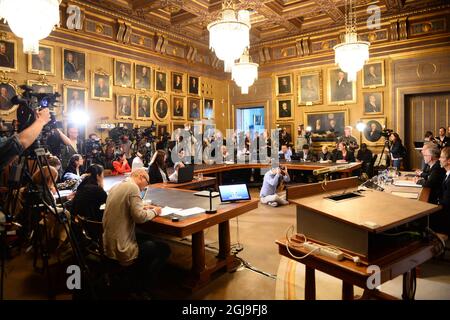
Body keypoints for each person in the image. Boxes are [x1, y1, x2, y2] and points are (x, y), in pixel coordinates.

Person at [102, 168, 170, 294]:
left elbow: (125, 205)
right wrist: (156, 211)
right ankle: (143, 285)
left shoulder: (117, 186)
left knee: (148, 238)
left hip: (108, 245)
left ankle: (135, 276)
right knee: (164, 248)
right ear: (140, 176)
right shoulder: (133, 188)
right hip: (122, 247)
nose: (146, 186)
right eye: (147, 182)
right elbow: (140, 217)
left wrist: (143, 206)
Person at [431, 147, 450, 234]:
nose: (439, 159)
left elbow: (446, 203)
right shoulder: (447, 174)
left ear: (448, 161)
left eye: (442, 157)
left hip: (446, 217)